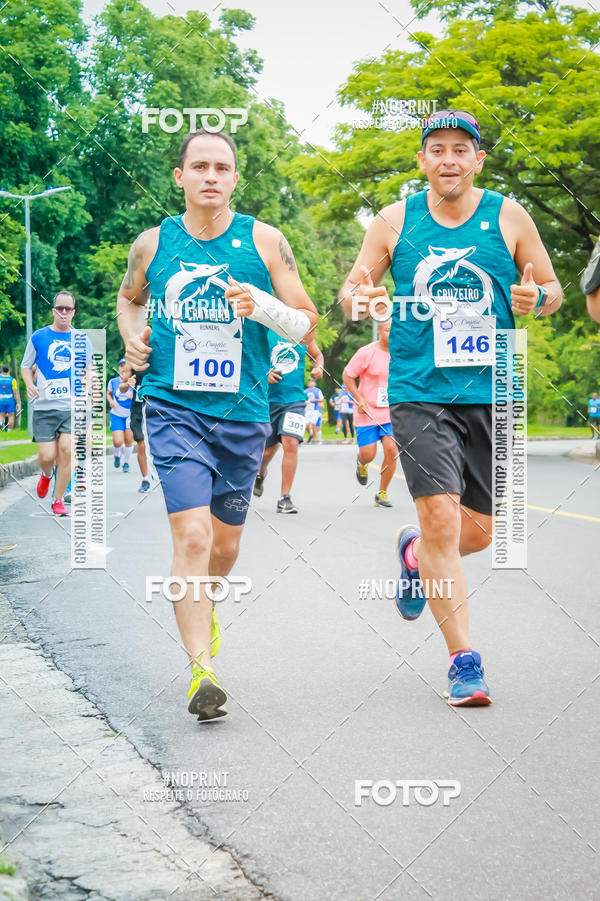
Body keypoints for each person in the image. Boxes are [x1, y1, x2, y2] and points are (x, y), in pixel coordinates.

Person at [339, 109, 562, 706]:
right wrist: (361, 300)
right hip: (419, 393)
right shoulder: (393, 220)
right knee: (441, 518)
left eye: (460, 150)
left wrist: (535, 296)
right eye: (436, 149)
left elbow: (554, 292)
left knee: (480, 534)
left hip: (493, 392)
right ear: (422, 161)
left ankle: (415, 555)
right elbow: (350, 293)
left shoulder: (509, 215)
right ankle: (464, 661)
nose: (448, 159)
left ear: (477, 159)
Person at [117, 129, 317, 721]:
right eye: (198, 165)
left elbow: (305, 323)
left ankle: (204, 606)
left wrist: (265, 306)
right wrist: (132, 337)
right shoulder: (153, 245)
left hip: (245, 413)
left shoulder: (264, 240)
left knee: (225, 548)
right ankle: (201, 672)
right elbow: (130, 299)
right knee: (194, 539)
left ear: (235, 178)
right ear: (179, 177)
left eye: (221, 167)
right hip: (173, 406)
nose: (210, 175)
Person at [21, 291, 89, 517]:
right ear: (53, 310)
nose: (63, 312)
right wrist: (29, 383)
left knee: (68, 451)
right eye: (60, 308)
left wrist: (90, 383)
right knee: (47, 457)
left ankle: (58, 499)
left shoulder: (82, 339)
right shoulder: (39, 337)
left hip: (71, 406)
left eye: (68, 309)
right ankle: (46, 475)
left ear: (73, 312)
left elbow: (89, 368)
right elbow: (25, 365)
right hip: (44, 407)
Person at [253, 330, 323, 513]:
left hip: (295, 401)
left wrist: (318, 366)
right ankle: (260, 473)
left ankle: (285, 497)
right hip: (268, 400)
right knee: (268, 449)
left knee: (290, 442)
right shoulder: (265, 331)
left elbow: (317, 355)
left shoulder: (302, 333)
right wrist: (263, 374)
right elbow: (248, 359)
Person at [343, 319, 396, 507]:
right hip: (368, 411)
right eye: (388, 330)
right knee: (369, 454)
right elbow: (347, 375)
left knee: (392, 450)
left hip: (391, 412)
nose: (392, 333)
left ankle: (382, 493)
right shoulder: (367, 352)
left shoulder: (401, 354)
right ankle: (361, 462)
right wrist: (359, 398)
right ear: (380, 331)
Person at [107, 358, 134, 472]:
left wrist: (131, 397)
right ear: (118, 368)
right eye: (121, 366)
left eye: (125, 366)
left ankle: (126, 463)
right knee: (117, 441)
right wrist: (111, 401)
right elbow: (109, 393)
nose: (123, 368)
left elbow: (138, 397)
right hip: (116, 414)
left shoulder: (134, 381)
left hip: (129, 415)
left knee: (129, 440)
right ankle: (117, 455)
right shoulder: (113, 381)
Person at [129, 370, 151, 492]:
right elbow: (122, 386)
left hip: (154, 410)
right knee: (141, 444)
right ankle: (145, 479)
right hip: (137, 412)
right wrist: (127, 383)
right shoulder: (135, 363)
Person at [304, 376, 324, 442]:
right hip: (307, 410)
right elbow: (303, 400)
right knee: (306, 425)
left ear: (315, 383)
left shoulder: (318, 390)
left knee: (314, 425)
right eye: (309, 382)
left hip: (315, 410)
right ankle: (311, 435)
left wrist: (315, 400)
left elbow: (321, 399)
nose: (310, 383)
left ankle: (316, 439)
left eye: (312, 381)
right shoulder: (305, 391)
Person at [0, 365, 19, 431]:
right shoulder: (12, 380)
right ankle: (9, 431)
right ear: (9, 370)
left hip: (1, 399)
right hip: (10, 400)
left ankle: (1, 424)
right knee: (11, 416)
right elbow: (15, 393)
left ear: (2, 370)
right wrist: (17, 402)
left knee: (1, 415)